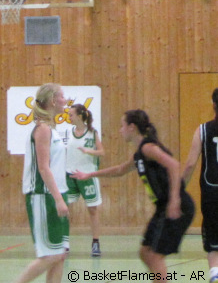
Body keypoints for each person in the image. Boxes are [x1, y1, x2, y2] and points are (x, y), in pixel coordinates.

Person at [72, 109, 194, 279]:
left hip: (176, 206)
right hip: (162, 207)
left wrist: (175, 199)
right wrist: (90, 174)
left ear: (132, 127)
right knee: (145, 252)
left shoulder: (148, 148)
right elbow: (120, 170)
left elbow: (173, 165)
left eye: (122, 126)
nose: (120, 130)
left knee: (154, 256)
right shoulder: (139, 154)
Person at [13, 83, 69, 283]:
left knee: (60, 254)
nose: (65, 101)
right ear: (53, 100)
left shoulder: (52, 129)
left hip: (55, 194)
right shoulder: (42, 130)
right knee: (50, 255)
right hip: (43, 196)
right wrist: (58, 199)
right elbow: (43, 168)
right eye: (62, 96)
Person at [182, 88, 218, 283]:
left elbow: (190, 164)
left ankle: (214, 275)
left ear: (213, 105)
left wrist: (179, 189)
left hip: (211, 193)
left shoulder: (202, 130)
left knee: (213, 244)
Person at [65, 103, 104, 257]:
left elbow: (102, 152)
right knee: (65, 209)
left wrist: (89, 151)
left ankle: (95, 242)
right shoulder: (68, 132)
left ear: (80, 116)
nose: (69, 117)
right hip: (70, 175)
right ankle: (64, 243)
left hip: (87, 175)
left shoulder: (92, 133)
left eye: (71, 114)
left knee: (92, 209)